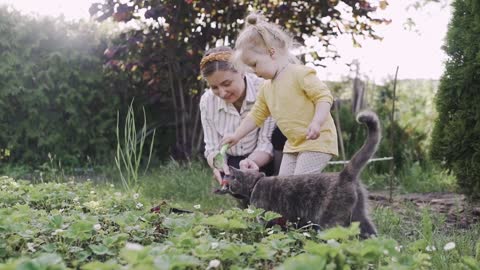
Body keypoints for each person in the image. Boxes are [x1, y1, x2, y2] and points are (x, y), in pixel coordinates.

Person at [222, 13, 338, 176]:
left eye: (255, 65)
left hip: (317, 141)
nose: (254, 72)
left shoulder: (299, 74)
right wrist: (236, 135)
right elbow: (256, 115)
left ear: (272, 53)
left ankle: (324, 200)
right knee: (284, 187)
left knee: (297, 186)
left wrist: (317, 122)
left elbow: (324, 97)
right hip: (293, 144)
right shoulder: (266, 87)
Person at [199, 45, 286, 185]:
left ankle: (279, 184)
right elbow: (212, 147)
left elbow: (266, 142)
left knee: (282, 134)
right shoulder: (207, 101)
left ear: (241, 72)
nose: (222, 93)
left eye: (226, 84)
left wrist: (250, 162)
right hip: (233, 160)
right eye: (214, 87)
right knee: (238, 187)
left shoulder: (264, 89)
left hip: (263, 159)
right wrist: (218, 164)